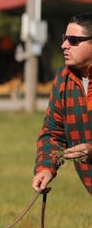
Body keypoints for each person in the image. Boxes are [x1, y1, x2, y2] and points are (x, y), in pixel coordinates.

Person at [32, 12, 92, 194]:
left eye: (73, 40)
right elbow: (53, 133)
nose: (64, 45)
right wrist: (45, 167)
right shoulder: (63, 79)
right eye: (65, 38)